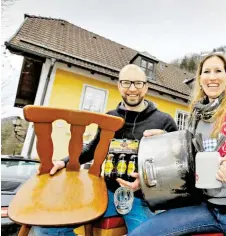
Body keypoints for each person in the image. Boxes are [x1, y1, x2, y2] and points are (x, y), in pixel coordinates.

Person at [129, 53, 226, 236]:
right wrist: (165, 143)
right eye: (206, 71)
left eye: (218, 71)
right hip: (207, 207)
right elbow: (187, 160)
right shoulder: (197, 116)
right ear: (200, 79)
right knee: (142, 233)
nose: (212, 77)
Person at [33, 64, 178, 235]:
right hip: (105, 194)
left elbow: (175, 165)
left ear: (146, 87)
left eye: (138, 83)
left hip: (141, 199)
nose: (132, 89)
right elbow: (92, 149)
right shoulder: (109, 117)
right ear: (118, 85)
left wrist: (147, 183)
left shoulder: (164, 121)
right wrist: (63, 161)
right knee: (46, 229)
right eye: (126, 83)